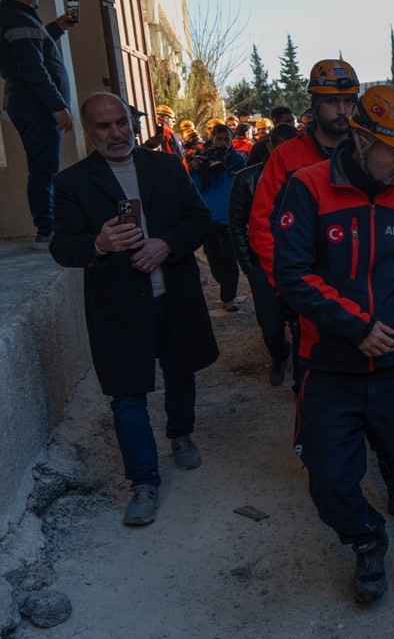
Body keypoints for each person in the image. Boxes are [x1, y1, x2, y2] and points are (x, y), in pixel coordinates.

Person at [273, 84, 394, 613]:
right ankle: (366, 539)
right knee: (330, 482)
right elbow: (291, 273)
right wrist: (354, 325)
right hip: (330, 366)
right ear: (361, 140)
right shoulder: (307, 187)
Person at [49, 92, 218, 526]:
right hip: (118, 307)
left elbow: (199, 220)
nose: (116, 133)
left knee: (181, 372)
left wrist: (167, 244)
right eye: (104, 126)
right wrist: (99, 244)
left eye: (121, 122)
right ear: (89, 132)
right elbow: (62, 247)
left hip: (173, 297)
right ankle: (144, 481)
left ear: (131, 121)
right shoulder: (72, 183)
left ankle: (180, 434)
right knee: (127, 397)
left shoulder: (163, 166)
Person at [249, 59, 359, 286]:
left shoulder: (367, 153)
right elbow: (262, 226)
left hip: (365, 287)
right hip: (309, 289)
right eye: (331, 101)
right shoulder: (286, 156)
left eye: (348, 101)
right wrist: (288, 283)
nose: (342, 111)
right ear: (315, 104)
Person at [0, 0, 76, 248]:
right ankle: (47, 230)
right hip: (36, 106)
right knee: (44, 170)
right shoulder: (18, 19)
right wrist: (57, 106)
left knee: (44, 168)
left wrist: (57, 28)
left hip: (28, 104)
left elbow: (33, 48)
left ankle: (48, 226)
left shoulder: (14, 16)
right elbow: (32, 66)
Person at [229, 122, 299, 386]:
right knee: (270, 326)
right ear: (270, 147)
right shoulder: (246, 178)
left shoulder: (307, 176)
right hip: (261, 265)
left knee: (303, 324)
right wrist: (248, 265)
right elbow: (236, 223)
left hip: (299, 262)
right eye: (280, 149)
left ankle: (303, 377)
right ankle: (279, 354)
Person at [188, 122, 245, 311]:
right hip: (210, 216)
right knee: (212, 256)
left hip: (231, 216)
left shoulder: (238, 160)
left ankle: (229, 297)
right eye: (219, 139)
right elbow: (198, 187)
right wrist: (197, 169)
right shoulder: (204, 159)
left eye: (227, 139)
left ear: (232, 140)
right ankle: (224, 282)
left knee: (230, 258)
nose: (223, 143)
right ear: (212, 139)